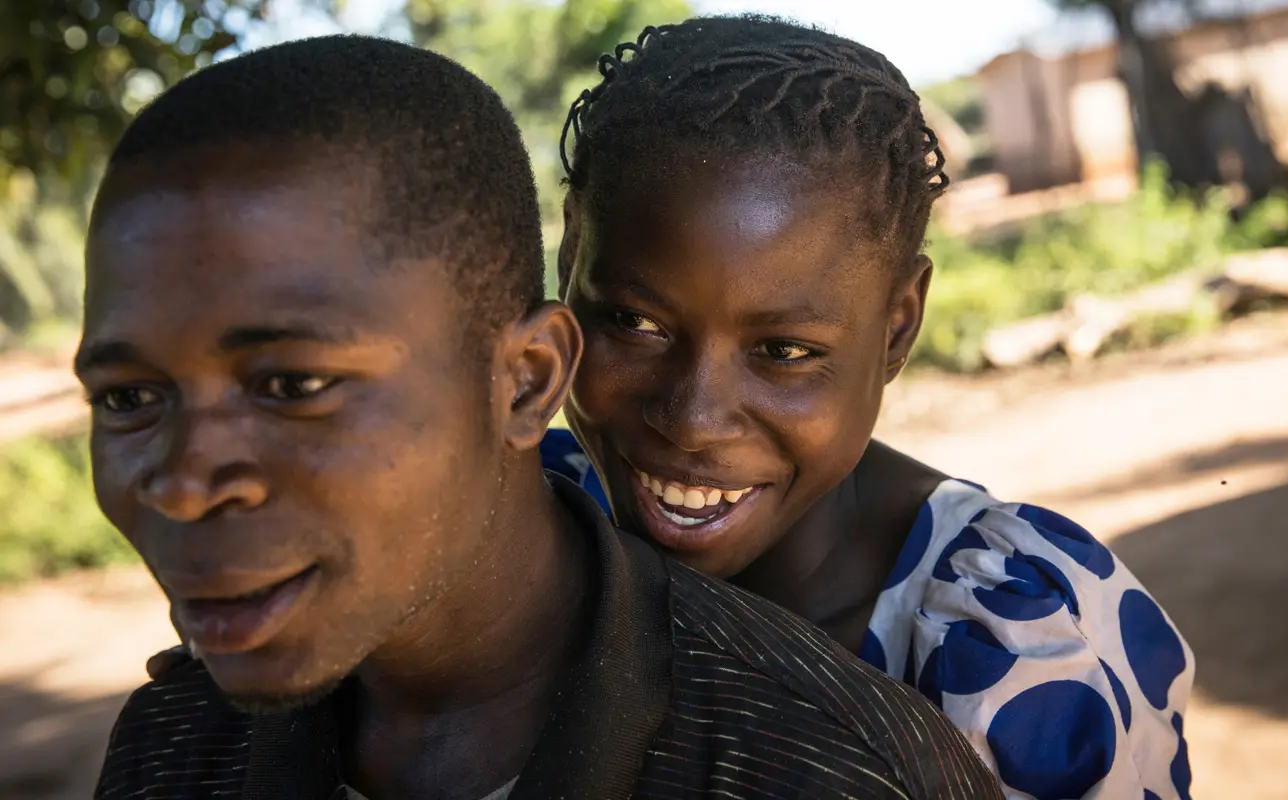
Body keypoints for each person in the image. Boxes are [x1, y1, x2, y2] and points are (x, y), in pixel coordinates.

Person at [86, 34, 1001, 800]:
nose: (184, 485)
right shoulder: (171, 748)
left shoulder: (840, 764)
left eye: (292, 386)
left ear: (526, 382)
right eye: (127, 398)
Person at [543, 16, 1195, 800]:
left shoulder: (1019, 646)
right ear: (570, 257)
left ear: (897, 328)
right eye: (635, 324)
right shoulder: (523, 524)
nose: (691, 418)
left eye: (783, 351)